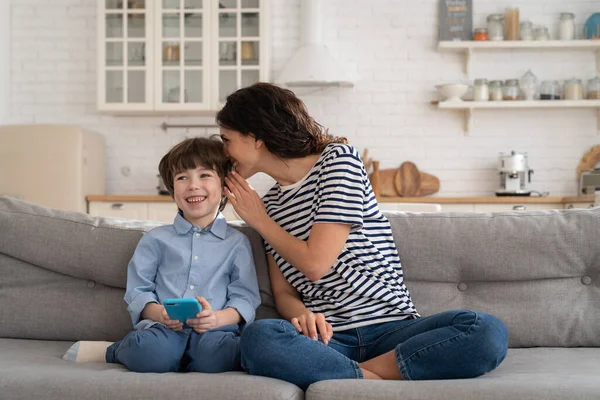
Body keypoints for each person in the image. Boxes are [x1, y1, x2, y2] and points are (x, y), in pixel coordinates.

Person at [216, 82, 508, 390]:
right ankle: (372, 378)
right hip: (328, 337)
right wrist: (304, 316)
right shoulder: (270, 205)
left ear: (255, 137)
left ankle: (353, 376)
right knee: (258, 338)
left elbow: (316, 263)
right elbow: (284, 293)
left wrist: (259, 220)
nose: (224, 152)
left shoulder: (337, 161)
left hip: (392, 329)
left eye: (227, 140)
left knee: (486, 331)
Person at [62, 137, 261, 373]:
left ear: (224, 185)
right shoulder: (155, 239)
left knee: (218, 358)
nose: (193, 185)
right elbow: (138, 291)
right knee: (150, 354)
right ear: (172, 188)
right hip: (164, 330)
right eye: (182, 177)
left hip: (215, 332)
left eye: (204, 175)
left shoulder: (237, 243)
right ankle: (114, 350)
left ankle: (194, 355)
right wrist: (160, 313)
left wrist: (217, 319)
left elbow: (245, 298)